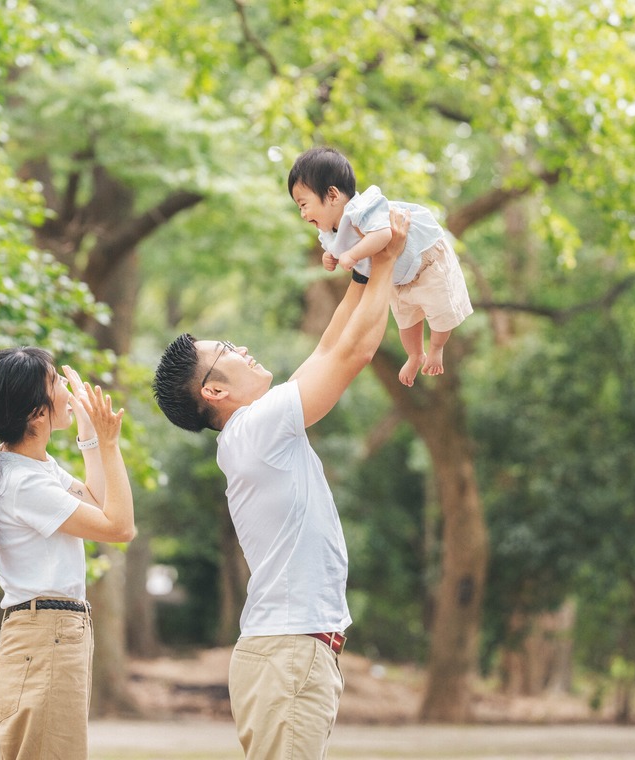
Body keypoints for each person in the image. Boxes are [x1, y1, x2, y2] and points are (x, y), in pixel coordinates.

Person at [151, 209, 409, 759]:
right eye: (226, 353)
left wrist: (361, 275)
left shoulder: (255, 429)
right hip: (289, 653)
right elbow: (354, 354)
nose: (241, 349)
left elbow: (325, 349)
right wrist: (386, 261)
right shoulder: (256, 430)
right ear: (215, 393)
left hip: (290, 651)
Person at [0, 347, 135, 760]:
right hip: (46, 637)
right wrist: (109, 444)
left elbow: (94, 502)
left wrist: (89, 436)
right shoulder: (22, 484)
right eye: (56, 382)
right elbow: (120, 527)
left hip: (51, 635)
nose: (69, 390)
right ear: (37, 412)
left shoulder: (32, 469)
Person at [288, 146, 474, 385]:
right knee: (405, 320)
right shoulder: (328, 231)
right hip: (399, 277)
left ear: (333, 195)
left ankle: (437, 348)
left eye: (304, 204)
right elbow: (335, 251)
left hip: (425, 259)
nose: (302, 214)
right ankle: (415, 355)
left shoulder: (362, 209)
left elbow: (383, 235)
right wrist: (330, 258)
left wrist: (353, 254)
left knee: (439, 309)